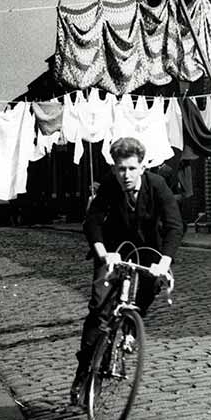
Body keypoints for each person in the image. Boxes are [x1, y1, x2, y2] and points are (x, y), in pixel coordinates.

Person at [71, 137, 184, 405]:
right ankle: (85, 373)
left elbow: (174, 226)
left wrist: (164, 263)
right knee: (100, 309)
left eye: (132, 169)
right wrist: (102, 252)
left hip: (149, 253)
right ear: (114, 169)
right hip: (113, 251)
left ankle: (131, 329)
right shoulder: (110, 186)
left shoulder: (158, 186)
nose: (126, 175)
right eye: (121, 169)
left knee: (143, 296)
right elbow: (93, 222)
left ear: (143, 167)